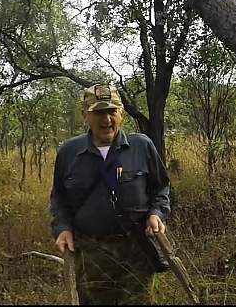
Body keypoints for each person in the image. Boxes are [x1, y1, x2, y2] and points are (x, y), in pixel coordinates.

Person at [50, 83, 171, 305]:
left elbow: (160, 187)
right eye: (98, 112)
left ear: (121, 113)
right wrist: (63, 228)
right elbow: (59, 198)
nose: (106, 120)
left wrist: (156, 213)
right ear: (85, 115)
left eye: (111, 111)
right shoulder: (69, 152)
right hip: (90, 253)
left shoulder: (141, 146)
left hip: (137, 249)